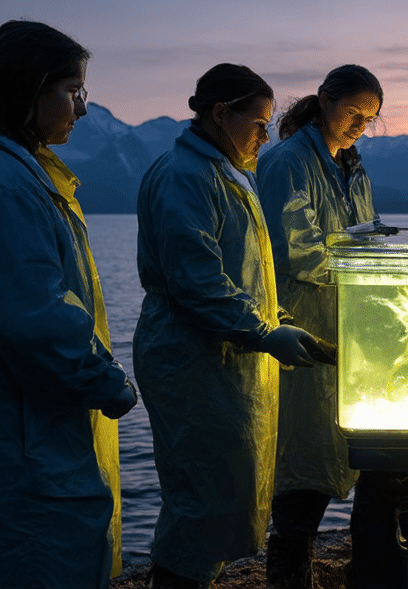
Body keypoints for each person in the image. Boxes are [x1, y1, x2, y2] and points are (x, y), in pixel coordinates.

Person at [0, 20, 138, 589]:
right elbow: (34, 320)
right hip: (12, 443)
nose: (82, 109)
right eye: (73, 91)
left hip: (4, 433)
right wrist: (109, 383)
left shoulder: (13, 176)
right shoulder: (3, 190)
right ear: (28, 90)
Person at [133, 63, 333, 588]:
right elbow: (197, 282)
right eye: (260, 123)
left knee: (224, 497)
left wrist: (278, 319)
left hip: (226, 362)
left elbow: (247, 275)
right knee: (201, 503)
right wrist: (265, 334)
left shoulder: (223, 173)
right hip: (194, 362)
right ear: (221, 114)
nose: (266, 136)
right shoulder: (186, 177)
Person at [256, 64, 382, 588]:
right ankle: (288, 576)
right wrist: (366, 265)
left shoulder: (352, 168)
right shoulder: (287, 161)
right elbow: (296, 250)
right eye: (353, 112)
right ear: (325, 101)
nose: (359, 124)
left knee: (360, 451)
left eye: (369, 118)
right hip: (303, 327)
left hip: (349, 328)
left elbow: (365, 238)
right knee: (301, 464)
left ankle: (371, 568)